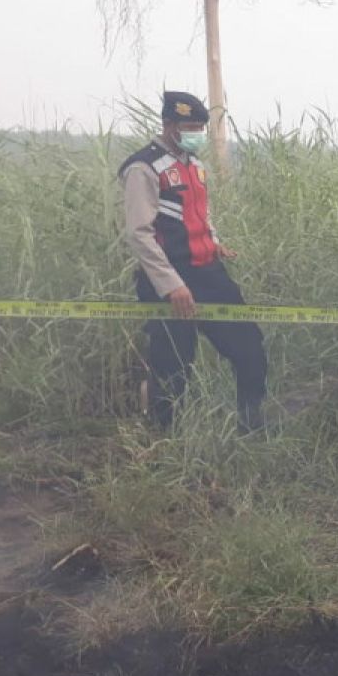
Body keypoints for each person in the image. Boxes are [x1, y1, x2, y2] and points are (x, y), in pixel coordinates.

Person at [118, 91, 267, 433]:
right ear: (168, 125)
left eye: (200, 126)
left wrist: (213, 243)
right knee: (172, 365)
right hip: (169, 281)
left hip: (207, 273)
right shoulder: (144, 168)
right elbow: (140, 233)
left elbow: (197, 214)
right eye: (189, 126)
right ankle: (163, 439)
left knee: (249, 347)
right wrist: (172, 286)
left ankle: (251, 425)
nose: (196, 132)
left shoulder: (193, 164)